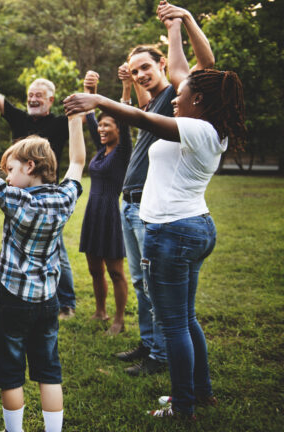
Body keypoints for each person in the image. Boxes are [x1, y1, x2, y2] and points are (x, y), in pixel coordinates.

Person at [64, 3, 244, 419]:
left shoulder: (195, 128)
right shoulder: (207, 127)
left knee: (175, 323)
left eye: (182, 95)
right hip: (192, 226)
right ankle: (201, 393)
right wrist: (178, 24)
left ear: (199, 100)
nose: (175, 98)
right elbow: (182, 71)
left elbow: (142, 118)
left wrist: (99, 98)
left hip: (173, 231)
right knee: (186, 319)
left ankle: (183, 406)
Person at [0, 112, 86, 432]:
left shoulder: (16, 200)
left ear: (30, 166)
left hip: (13, 299)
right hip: (48, 300)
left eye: (11, 170)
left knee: (11, 373)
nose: (7, 177)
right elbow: (78, 160)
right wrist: (76, 119)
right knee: (49, 370)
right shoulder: (65, 198)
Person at [112, 0, 215, 377]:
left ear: (162, 66)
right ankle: (149, 342)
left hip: (154, 210)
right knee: (142, 283)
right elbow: (139, 106)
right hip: (131, 202)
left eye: (146, 67)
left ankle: (160, 355)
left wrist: (179, 23)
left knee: (157, 288)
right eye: (135, 69)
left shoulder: (176, 97)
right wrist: (127, 83)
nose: (141, 74)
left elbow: (202, 65)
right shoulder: (159, 102)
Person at [0, 58, 77, 319]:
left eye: (39, 95)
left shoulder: (60, 123)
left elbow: (80, 135)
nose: (33, 99)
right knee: (16, 244)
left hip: (47, 198)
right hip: (17, 194)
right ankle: (18, 290)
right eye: (30, 95)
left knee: (56, 249)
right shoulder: (20, 118)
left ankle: (66, 302)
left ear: (51, 100)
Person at [78, 70, 132, 335]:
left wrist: (126, 87)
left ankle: (119, 320)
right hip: (93, 212)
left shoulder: (122, 151)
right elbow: (89, 117)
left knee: (115, 271)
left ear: (118, 129)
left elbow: (125, 116)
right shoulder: (101, 150)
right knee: (94, 268)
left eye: (107, 125)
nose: (101, 129)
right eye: (100, 126)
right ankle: (100, 311)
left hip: (110, 213)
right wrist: (90, 90)